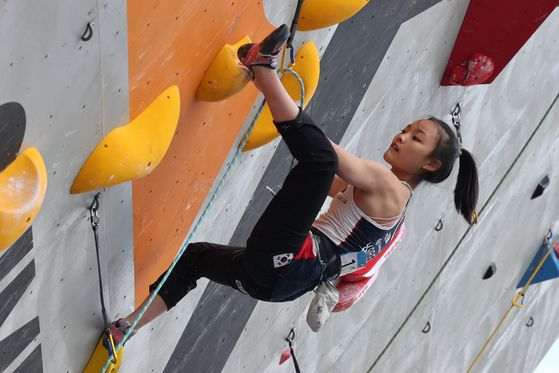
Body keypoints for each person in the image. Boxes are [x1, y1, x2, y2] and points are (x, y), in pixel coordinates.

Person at [105, 24, 479, 343]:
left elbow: (325, 155)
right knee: (194, 259)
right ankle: (126, 329)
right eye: (405, 129)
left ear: (429, 164)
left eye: (416, 138)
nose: (401, 136)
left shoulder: (391, 187)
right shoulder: (390, 215)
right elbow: (320, 179)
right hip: (275, 284)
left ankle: (262, 69)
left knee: (320, 159)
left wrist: (275, 93)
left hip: (291, 261)